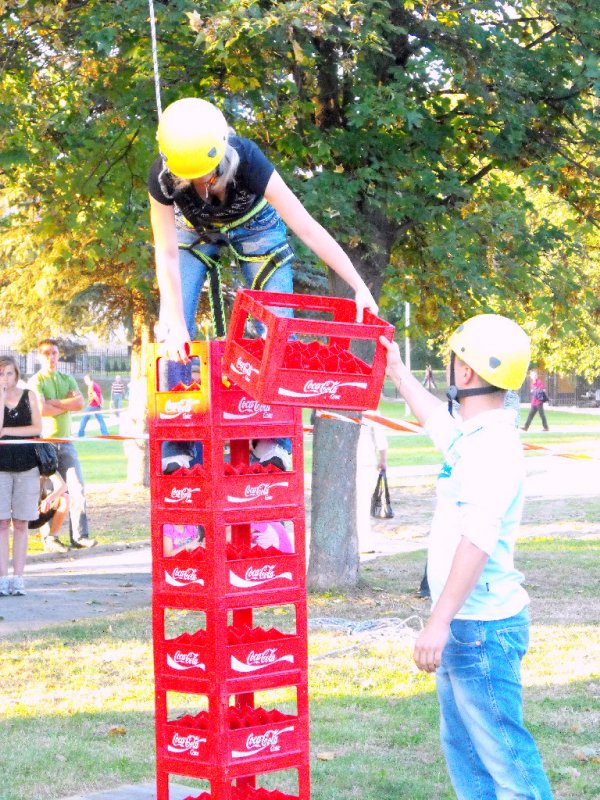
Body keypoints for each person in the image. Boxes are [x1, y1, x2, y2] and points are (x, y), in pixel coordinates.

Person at [149, 96, 378, 472]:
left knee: (276, 325)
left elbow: (307, 228)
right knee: (172, 329)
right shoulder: (162, 174)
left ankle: (272, 440)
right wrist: (174, 321)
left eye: (206, 176)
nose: (200, 184)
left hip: (257, 228)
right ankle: (180, 443)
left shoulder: (249, 160)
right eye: (191, 179)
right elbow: (167, 253)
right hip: (192, 231)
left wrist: (358, 286)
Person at [380, 315, 553, 800]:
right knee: (469, 760)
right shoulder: (475, 435)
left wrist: (438, 622)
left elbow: (477, 540)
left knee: (508, 765)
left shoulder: (490, 448)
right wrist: (397, 371)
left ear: (466, 372)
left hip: (481, 630)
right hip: (468, 626)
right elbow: (437, 421)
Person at [29, 340, 97, 549]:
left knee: (78, 488)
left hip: (67, 443)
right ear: (40, 356)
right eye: (47, 353)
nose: (51, 357)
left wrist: (54, 402)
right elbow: (42, 409)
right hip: (45, 444)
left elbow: (80, 403)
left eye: (55, 353)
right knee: (51, 492)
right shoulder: (36, 380)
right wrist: (66, 404)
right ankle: (51, 538)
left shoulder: (67, 378)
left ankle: (80, 536)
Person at [0, 356, 43, 596]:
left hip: (27, 466)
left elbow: (37, 428)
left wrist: (8, 430)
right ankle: (2, 578)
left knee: (21, 523)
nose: (5, 378)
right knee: (1, 523)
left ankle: (18, 577)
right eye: (0, 374)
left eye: (9, 373)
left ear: (16, 374)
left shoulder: (29, 396)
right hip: (1, 468)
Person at [358, 418, 388, 553]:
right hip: (365, 461)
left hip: (351, 462)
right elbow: (381, 440)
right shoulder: (372, 411)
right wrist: (383, 460)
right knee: (362, 505)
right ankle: (363, 542)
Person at [28, 470, 70, 553]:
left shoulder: (45, 464)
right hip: (18, 513)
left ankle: (52, 539)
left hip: (39, 511)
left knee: (65, 498)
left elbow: (63, 486)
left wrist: (48, 500)